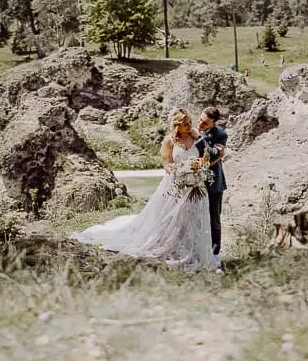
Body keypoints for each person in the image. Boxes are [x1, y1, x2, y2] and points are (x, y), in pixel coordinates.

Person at [73, 108, 217, 272]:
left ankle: (193, 252)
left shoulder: (195, 137)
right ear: (177, 126)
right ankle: (169, 247)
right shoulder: (169, 141)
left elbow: (204, 157)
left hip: (195, 186)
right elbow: (168, 166)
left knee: (193, 220)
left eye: (190, 122)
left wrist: (198, 172)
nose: (190, 126)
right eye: (186, 124)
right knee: (170, 219)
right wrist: (183, 176)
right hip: (176, 185)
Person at [195, 107, 228, 270]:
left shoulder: (220, 134)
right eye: (200, 119)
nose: (200, 123)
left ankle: (215, 255)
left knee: (213, 218)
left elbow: (214, 153)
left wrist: (199, 138)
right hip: (193, 182)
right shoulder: (192, 131)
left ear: (214, 123)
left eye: (205, 122)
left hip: (213, 183)